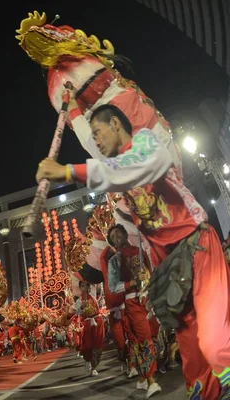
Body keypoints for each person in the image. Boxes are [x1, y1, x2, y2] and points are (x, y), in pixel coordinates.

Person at [36, 94, 230, 398]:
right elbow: (93, 144)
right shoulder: (117, 182)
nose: (95, 141)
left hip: (197, 248)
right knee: (193, 354)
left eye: (100, 133)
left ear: (116, 123)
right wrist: (72, 105)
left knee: (215, 345)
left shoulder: (146, 144)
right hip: (170, 269)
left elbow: (124, 167)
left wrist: (67, 171)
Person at [108, 224, 161, 398]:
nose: (116, 237)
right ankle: (151, 381)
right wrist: (132, 283)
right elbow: (113, 287)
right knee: (144, 338)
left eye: (118, 233)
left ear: (124, 234)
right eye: (112, 236)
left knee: (142, 340)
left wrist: (150, 287)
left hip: (147, 299)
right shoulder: (114, 260)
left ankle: (142, 378)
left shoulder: (140, 251)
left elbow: (150, 273)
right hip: (131, 302)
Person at [76, 281, 104, 376]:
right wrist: (81, 307)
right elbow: (78, 313)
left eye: (87, 285)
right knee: (88, 345)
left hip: (98, 323)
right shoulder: (79, 300)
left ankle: (94, 368)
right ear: (80, 287)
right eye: (83, 286)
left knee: (98, 344)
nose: (85, 287)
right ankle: (87, 360)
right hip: (88, 323)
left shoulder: (94, 295)